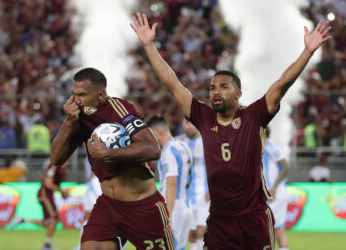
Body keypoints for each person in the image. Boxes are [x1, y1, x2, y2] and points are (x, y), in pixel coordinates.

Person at [131, 12, 332, 249]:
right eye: (212, 87)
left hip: (253, 218)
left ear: (238, 94)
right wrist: (149, 46)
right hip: (219, 220)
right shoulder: (204, 117)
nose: (216, 91)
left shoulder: (253, 116)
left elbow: (281, 84)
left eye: (223, 87)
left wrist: (307, 52)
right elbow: (172, 83)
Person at [50, 67, 175, 250]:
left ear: (100, 95)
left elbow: (152, 148)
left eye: (82, 95)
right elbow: (56, 158)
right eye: (73, 94)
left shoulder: (121, 109)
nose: (75, 100)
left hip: (143, 207)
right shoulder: (79, 117)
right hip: (108, 206)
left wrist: (108, 154)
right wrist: (69, 123)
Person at [147, 115, 193, 250]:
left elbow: (172, 182)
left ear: (159, 132)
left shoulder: (168, 152)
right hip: (187, 206)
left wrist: (169, 215)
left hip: (175, 210)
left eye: (152, 135)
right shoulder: (182, 145)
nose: (151, 140)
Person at [10, 159, 69, 250]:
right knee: (54, 219)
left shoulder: (58, 166)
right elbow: (48, 183)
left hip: (48, 195)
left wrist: (61, 192)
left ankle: (23, 220)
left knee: (49, 222)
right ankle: (47, 246)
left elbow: (54, 182)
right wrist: (62, 191)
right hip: (45, 195)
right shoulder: (53, 166)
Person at [177, 119, 209, 250]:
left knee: (202, 231)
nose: (189, 126)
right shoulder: (178, 142)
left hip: (203, 193)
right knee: (191, 233)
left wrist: (212, 188)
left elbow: (214, 167)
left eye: (192, 123)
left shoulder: (207, 142)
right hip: (186, 196)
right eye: (186, 123)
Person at [262, 127, 292, 250]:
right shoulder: (261, 148)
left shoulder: (270, 146)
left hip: (275, 195)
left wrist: (274, 188)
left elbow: (286, 166)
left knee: (277, 230)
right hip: (268, 195)